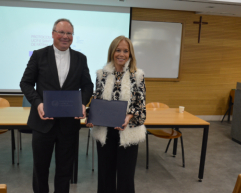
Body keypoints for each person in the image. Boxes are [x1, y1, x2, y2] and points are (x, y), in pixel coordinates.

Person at [20, 18, 93, 193]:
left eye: (69, 33)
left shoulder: (80, 58)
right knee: (40, 169)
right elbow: (26, 83)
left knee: (64, 170)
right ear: (53, 34)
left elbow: (88, 86)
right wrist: (37, 103)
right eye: (61, 32)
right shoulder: (38, 55)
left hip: (69, 125)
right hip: (42, 122)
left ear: (72, 37)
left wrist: (83, 103)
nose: (65, 36)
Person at [86, 36, 146, 193]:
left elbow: (140, 105)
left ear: (130, 53)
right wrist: (91, 116)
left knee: (126, 177)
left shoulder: (137, 75)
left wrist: (128, 117)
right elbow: (97, 100)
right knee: (105, 175)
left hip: (128, 131)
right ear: (112, 52)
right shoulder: (101, 75)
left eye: (126, 51)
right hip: (105, 132)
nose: (122, 54)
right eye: (118, 50)